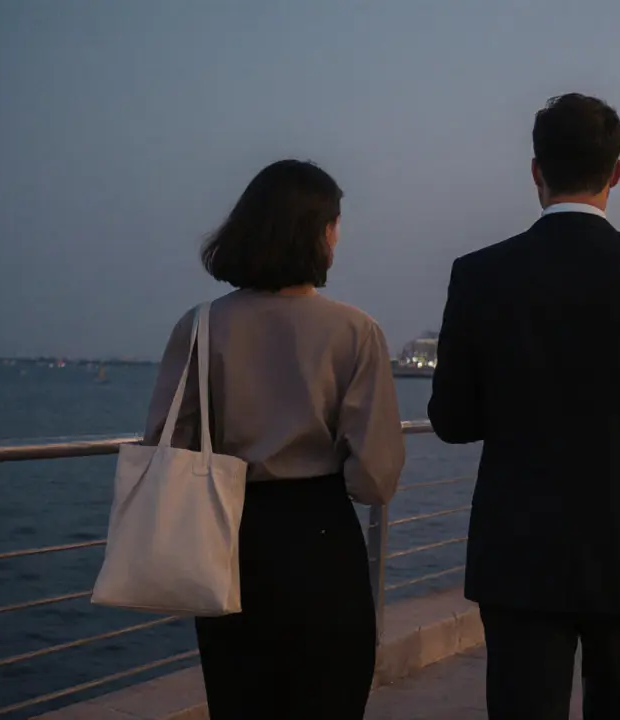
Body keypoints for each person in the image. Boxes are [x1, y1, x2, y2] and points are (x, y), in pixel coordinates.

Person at [429, 94, 620, 720]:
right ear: (616, 172)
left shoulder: (480, 274)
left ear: (536, 171)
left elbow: (452, 420)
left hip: (517, 551)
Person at [143, 160, 405, 719]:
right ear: (320, 232)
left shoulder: (201, 325)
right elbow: (375, 479)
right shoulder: (355, 332)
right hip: (322, 538)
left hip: (228, 543)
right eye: (335, 222)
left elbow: (165, 445)